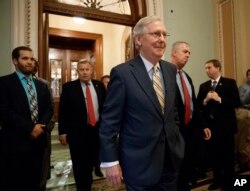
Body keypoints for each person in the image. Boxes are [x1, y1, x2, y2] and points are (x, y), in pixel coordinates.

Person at [99, 15, 185, 191]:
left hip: (170, 160)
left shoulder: (170, 70)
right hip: (138, 164)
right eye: (155, 34)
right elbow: (109, 122)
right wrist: (111, 160)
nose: (162, 39)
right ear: (139, 39)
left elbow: (172, 112)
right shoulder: (122, 74)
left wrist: (178, 142)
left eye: (164, 35)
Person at [0, 46, 54, 191]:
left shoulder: (41, 85)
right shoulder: (4, 83)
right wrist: (30, 128)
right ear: (15, 61)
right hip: (15, 143)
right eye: (25, 58)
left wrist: (39, 127)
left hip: (38, 141)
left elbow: (49, 108)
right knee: (15, 183)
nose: (30, 62)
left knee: (35, 181)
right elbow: (4, 112)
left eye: (31, 58)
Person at [58, 59, 106, 191]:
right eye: (81, 70)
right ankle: (82, 187)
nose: (85, 72)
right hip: (78, 133)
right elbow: (63, 111)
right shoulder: (69, 87)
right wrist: (62, 132)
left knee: (92, 161)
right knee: (80, 165)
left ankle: (88, 181)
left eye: (87, 69)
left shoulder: (99, 85)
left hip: (96, 131)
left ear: (92, 71)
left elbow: (105, 107)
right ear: (77, 71)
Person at [171, 41, 211, 191]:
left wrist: (204, 125)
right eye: (184, 51)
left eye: (189, 53)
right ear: (174, 52)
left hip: (190, 129)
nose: (188, 55)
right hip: (174, 131)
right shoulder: (164, 74)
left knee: (187, 164)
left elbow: (193, 103)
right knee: (174, 168)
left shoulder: (186, 76)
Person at [197, 59, 241, 191]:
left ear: (218, 68)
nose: (206, 70)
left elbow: (236, 103)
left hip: (226, 127)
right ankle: (217, 180)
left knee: (227, 156)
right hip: (210, 128)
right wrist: (206, 100)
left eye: (209, 67)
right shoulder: (203, 86)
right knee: (213, 155)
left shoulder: (229, 83)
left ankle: (229, 182)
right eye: (205, 68)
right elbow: (198, 106)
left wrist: (219, 99)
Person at [33, 59, 55, 191]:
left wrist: (47, 126)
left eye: (35, 64)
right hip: (22, 132)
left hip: (43, 129)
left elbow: (50, 106)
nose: (31, 65)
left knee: (43, 165)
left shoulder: (44, 84)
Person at [235, 68, 250, 169]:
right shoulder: (242, 87)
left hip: (247, 111)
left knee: (245, 137)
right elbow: (238, 100)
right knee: (239, 136)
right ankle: (241, 158)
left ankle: (245, 159)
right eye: (248, 75)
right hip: (240, 111)